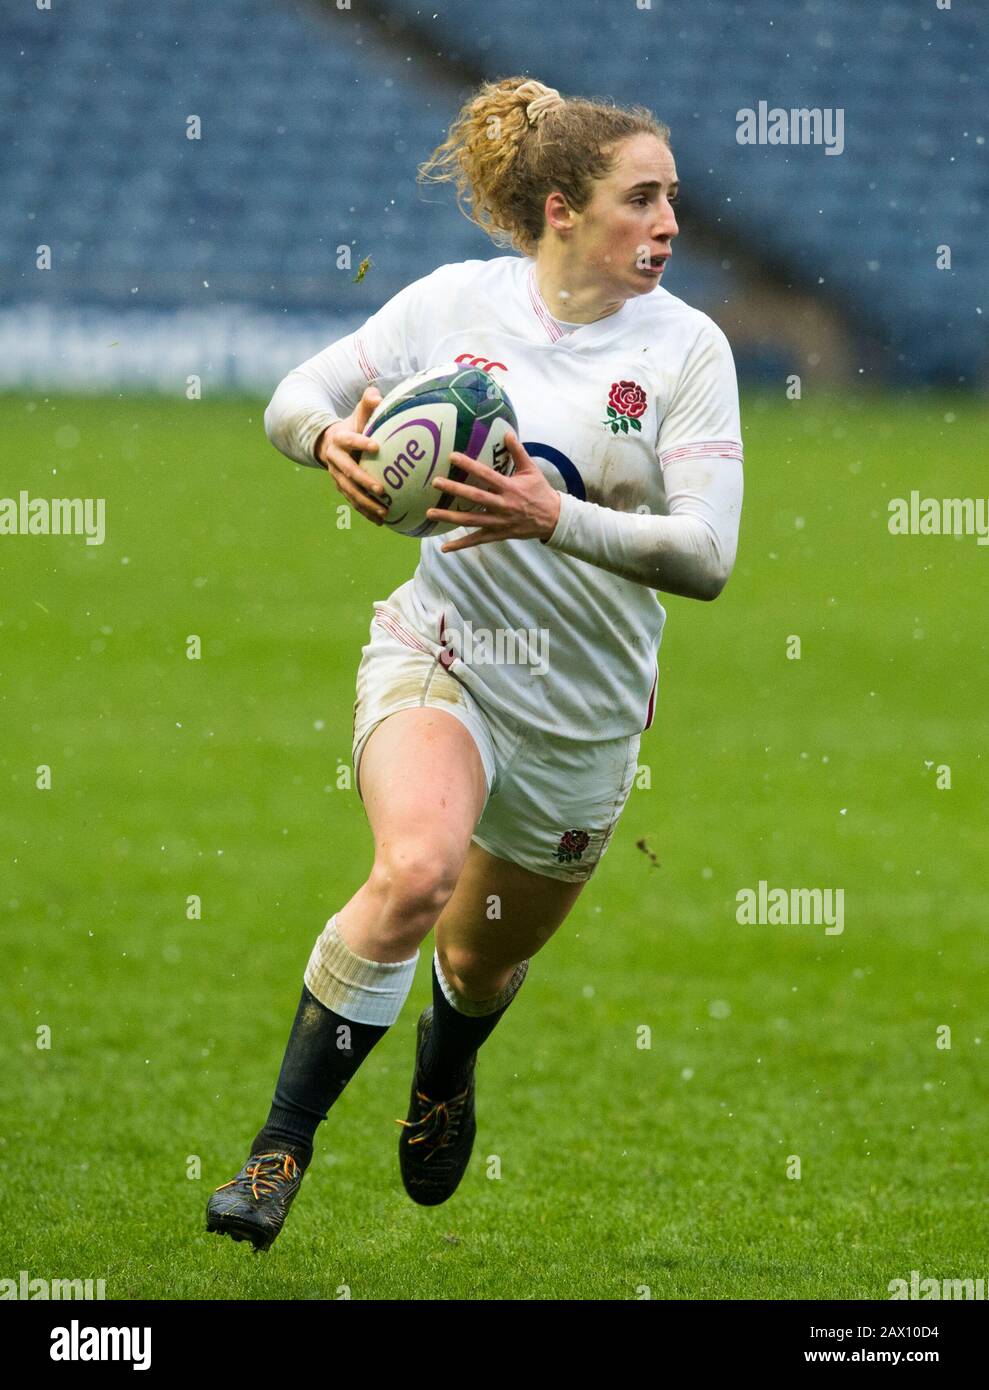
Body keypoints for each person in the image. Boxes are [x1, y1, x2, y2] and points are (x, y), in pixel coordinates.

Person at [206, 76, 743, 1251]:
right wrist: (328, 439)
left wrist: (552, 515)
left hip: (582, 715)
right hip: (439, 649)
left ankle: (444, 1064)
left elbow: (705, 557)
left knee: (476, 956)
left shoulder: (684, 350)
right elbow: (297, 393)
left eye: (673, 201)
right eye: (640, 199)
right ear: (561, 208)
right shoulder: (457, 302)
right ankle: (275, 1150)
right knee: (413, 867)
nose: (668, 225)